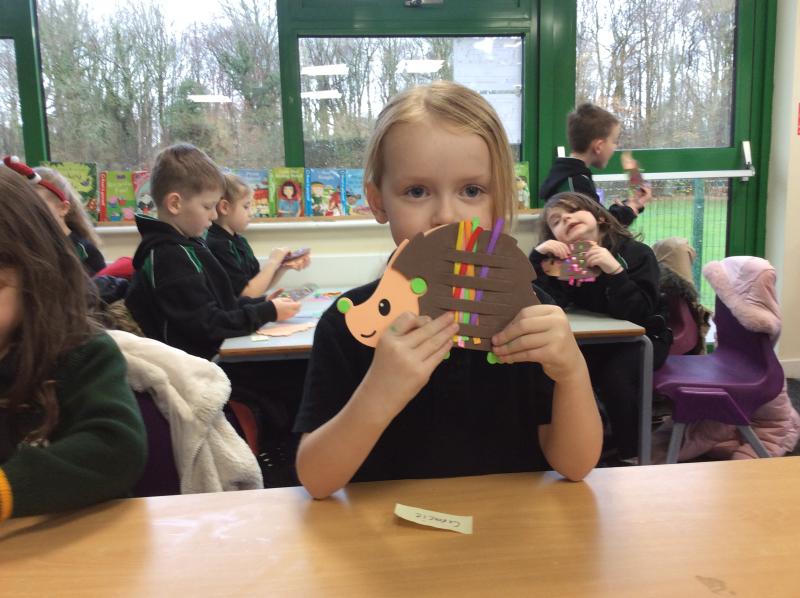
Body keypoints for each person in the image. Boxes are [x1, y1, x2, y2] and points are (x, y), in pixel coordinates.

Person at [294, 81, 602, 499]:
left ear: (500, 199)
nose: (445, 216)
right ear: (378, 201)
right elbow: (316, 480)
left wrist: (572, 371)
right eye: (416, 191)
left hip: (510, 530)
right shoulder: (352, 321)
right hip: (386, 533)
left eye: (471, 191)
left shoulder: (529, 316)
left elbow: (576, 465)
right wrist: (378, 392)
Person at [0, 167, 146, 521]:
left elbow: (117, 448)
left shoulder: (80, 354)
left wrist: (6, 489)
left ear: (34, 278)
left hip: (76, 537)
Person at [529, 191, 672, 463]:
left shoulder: (636, 253)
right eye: (556, 221)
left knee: (616, 376)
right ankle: (559, 447)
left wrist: (615, 272)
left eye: (574, 210)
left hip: (645, 338)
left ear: (600, 218)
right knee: (549, 369)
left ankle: (631, 455)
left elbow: (641, 314)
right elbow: (547, 303)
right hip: (599, 339)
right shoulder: (572, 261)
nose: (566, 219)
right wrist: (537, 259)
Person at [125, 143, 301, 361]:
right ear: (175, 204)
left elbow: (221, 304)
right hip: (201, 367)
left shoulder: (188, 246)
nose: (214, 215)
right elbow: (208, 325)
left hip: (211, 359)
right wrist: (267, 312)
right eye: (208, 207)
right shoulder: (169, 257)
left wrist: (262, 304)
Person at [538, 103, 651, 226]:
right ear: (599, 146)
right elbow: (598, 228)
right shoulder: (575, 183)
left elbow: (597, 218)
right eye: (614, 141)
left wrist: (631, 205)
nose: (615, 147)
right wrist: (628, 211)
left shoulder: (572, 176)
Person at [207, 173, 310, 299]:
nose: (251, 213)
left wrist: (282, 267)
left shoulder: (240, 241)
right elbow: (247, 294)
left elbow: (258, 286)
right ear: (225, 207)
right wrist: (272, 262)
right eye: (246, 206)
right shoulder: (217, 245)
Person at [1, 156, 105, 275]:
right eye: (24, 207)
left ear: (63, 208)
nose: (29, 215)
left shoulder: (84, 251)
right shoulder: (27, 248)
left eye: (37, 207)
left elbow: (100, 284)